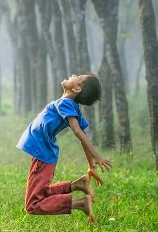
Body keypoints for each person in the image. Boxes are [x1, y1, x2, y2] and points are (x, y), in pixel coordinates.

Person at [16, 73, 112, 223]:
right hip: (42, 154)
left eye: (78, 76)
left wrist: (96, 156)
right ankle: (77, 185)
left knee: (32, 205)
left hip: (42, 154)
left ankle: (80, 203)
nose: (73, 74)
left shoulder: (66, 104)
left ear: (76, 88)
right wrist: (90, 166)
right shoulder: (69, 105)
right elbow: (82, 135)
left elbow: (78, 131)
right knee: (41, 193)